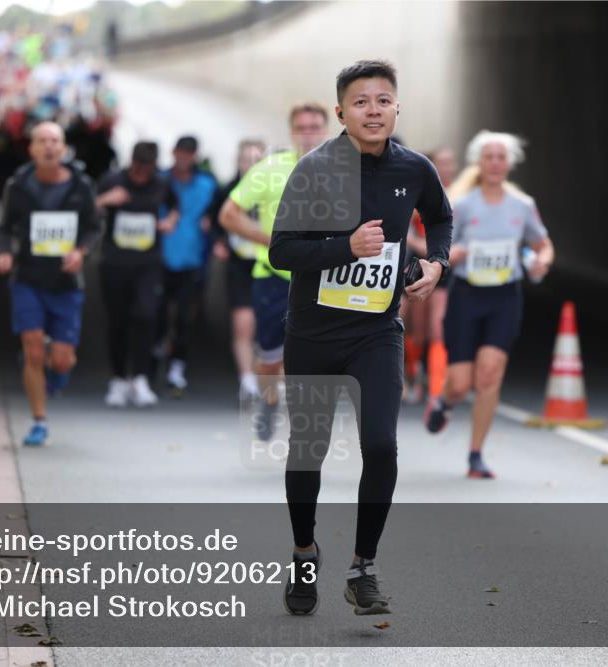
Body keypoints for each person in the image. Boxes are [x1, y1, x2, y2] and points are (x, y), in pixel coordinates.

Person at [269, 61, 451, 616]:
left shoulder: (415, 168)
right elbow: (281, 252)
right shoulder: (314, 169)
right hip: (314, 333)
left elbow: (440, 219)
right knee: (309, 450)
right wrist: (343, 248)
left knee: (380, 444)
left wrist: (437, 265)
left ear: (397, 108)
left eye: (384, 100)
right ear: (341, 112)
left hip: (376, 330)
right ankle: (305, 553)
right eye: (362, 102)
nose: (374, 110)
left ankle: (362, 568)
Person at [426, 130, 555, 479]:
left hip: (504, 296)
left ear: (510, 163)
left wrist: (542, 259)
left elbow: (543, 243)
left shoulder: (522, 205)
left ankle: (476, 454)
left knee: (489, 375)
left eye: (501, 157)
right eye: (489, 157)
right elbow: (439, 250)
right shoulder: (463, 205)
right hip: (467, 294)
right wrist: (457, 253)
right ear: (479, 163)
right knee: (460, 382)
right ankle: (445, 402)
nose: (496, 163)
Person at [219, 103, 330, 438]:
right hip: (274, 278)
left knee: (317, 356)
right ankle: (268, 401)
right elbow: (229, 215)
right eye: (302, 127)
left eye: (315, 127)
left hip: (325, 280)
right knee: (271, 359)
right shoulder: (270, 169)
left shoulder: (345, 170)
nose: (308, 133)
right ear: (292, 132)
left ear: (326, 130)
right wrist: (272, 240)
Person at [0, 121, 100, 446]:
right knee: (34, 350)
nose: (49, 146)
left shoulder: (81, 186)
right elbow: (3, 227)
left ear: (64, 148)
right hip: (27, 279)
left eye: (55, 140)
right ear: (32, 149)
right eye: (43, 140)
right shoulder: (18, 186)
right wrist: (4, 253)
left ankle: (57, 373)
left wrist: (81, 252)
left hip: (66, 284)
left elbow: (95, 227)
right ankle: (39, 421)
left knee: (62, 358)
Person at [96, 141, 179, 407]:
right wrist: (105, 200)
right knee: (118, 321)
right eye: (137, 169)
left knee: (146, 315)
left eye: (147, 170)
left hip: (148, 263)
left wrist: (169, 222)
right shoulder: (112, 180)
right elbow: (86, 209)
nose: (141, 175)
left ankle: (141, 377)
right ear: (131, 163)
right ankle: (119, 378)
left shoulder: (161, 183)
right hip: (115, 262)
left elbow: (175, 206)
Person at [155, 136, 218, 393]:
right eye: (181, 152)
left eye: (189, 154)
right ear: (173, 152)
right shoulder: (159, 180)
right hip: (159, 259)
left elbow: (222, 212)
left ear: (194, 156)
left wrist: (212, 225)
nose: (184, 157)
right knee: (154, 314)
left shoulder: (207, 184)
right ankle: (153, 356)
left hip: (192, 260)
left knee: (183, 317)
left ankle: (177, 365)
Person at [210, 139, 266, 402]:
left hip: (271, 268)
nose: (251, 165)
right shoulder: (228, 191)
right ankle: (247, 381)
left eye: (257, 160)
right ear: (238, 163)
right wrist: (218, 241)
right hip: (240, 266)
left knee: (273, 326)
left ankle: (270, 378)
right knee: (244, 325)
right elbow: (212, 222)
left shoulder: (276, 189)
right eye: (246, 160)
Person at [401, 148, 457, 409]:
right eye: (441, 164)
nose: (446, 168)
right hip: (418, 265)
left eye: (450, 163)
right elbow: (403, 231)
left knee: (437, 328)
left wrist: (445, 254)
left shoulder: (462, 195)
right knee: (416, 329)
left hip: (446, 266)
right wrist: (424, 247)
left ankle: (436, 388)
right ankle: (412, 372)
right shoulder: (418, 193)